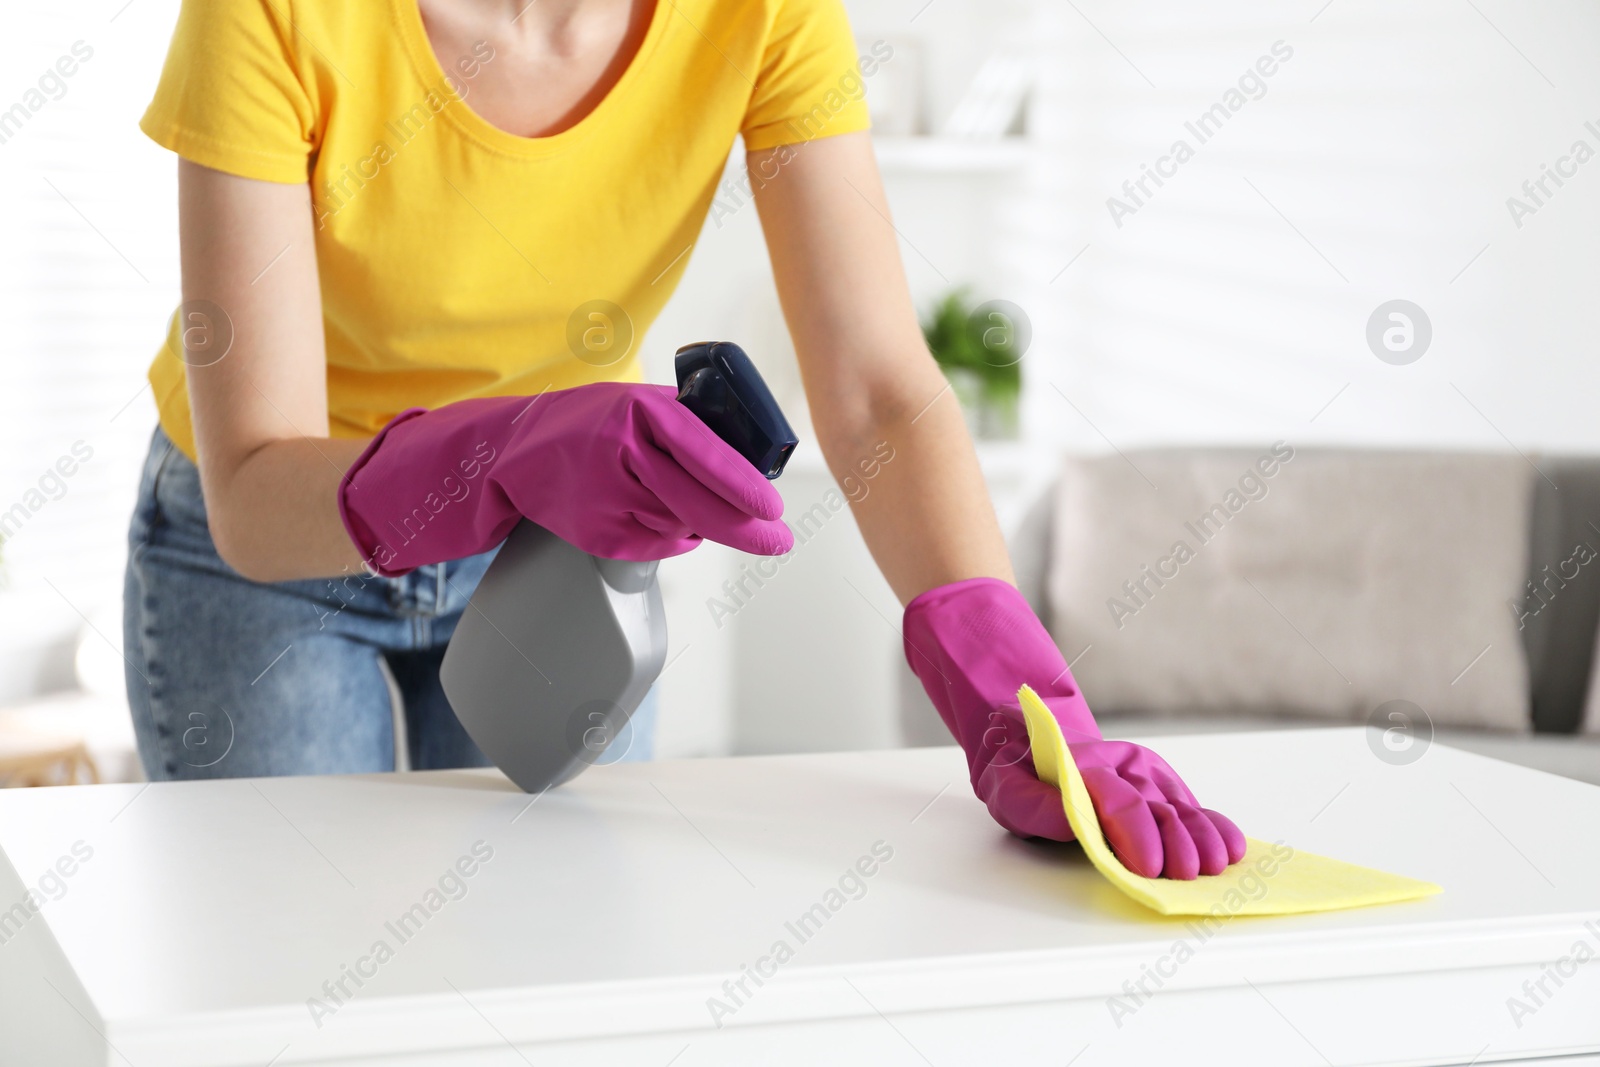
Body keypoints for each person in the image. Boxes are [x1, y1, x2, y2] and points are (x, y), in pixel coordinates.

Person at [125, 0, 1245, 879]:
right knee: (287, 978)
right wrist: (502, 449)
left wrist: (1017, 697)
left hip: (551, 553)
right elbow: (254, 493)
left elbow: (875, 391)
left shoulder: (762, 11)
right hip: (280, 565)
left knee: (548, 972)